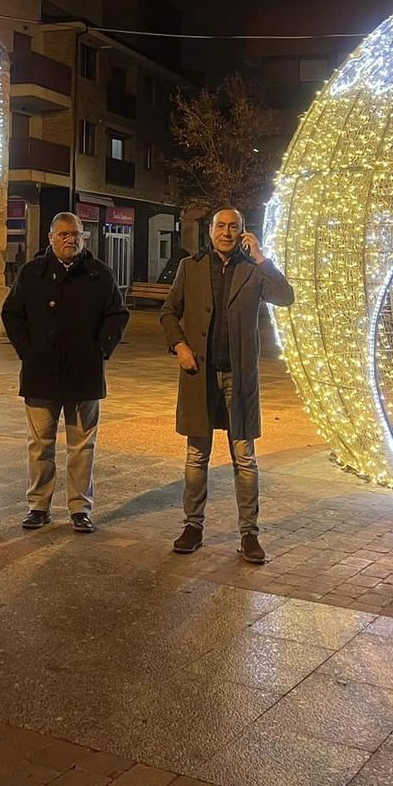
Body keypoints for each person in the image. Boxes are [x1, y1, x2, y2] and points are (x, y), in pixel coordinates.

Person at [160, 207, 294, 564]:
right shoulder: (191, 268)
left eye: (234, 227)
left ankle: (249, 534)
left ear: (242, 233)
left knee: (244, 457)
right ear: (210, 231)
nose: (227, 232)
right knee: (196, 454)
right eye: (221, 226)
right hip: (199, 376)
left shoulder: (253, 270)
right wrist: (180, 345)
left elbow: (286, 296)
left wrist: (263, 258)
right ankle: (193, 527)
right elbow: (168, 312)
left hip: (238, 377)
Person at [2, 212, 128, 533]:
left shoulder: (99, 275)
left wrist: (101, 349)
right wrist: (27, 350)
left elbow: (117, 314)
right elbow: (12, 313)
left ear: (83, 237)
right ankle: (38, 505)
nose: (70, 240)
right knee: (40, 444)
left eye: (75, 234)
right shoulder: (33, 273)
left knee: (82, 446)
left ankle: (79, 508)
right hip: (41, 374)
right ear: (51, 238)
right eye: (63, 235)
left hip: (83, 375)